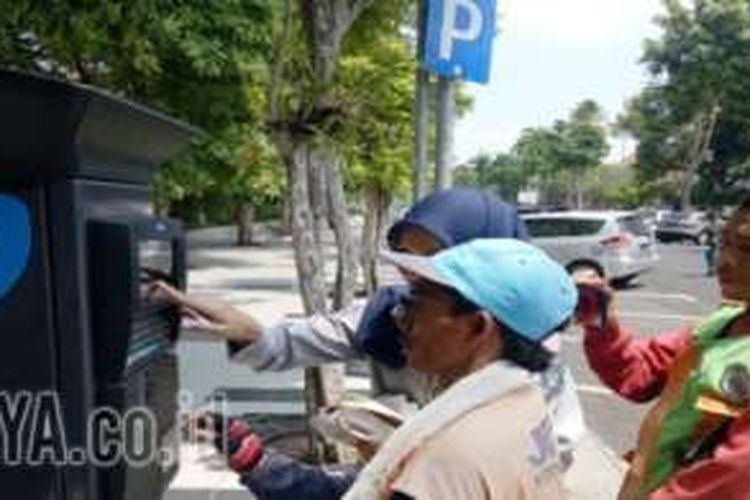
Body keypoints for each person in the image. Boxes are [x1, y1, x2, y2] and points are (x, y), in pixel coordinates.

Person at [153, 188, 584, 498]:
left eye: (430, 271)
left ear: (478, 324)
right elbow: (298, 340)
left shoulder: (467, 444)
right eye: (408, 263)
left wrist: (411, 454)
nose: (407, 295)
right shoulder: (507, 385)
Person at [344, 238, 577, 499]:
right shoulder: (525, 400)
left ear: (477, 327)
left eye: (415, 306)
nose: (400, 318)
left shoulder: (443, 463)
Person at [575, 195, 750, 499]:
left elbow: (732, 477)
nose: (725, 260)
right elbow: (638, 375)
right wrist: (602, 326)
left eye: (747, 249)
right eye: (725, 243)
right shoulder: (723, 323)